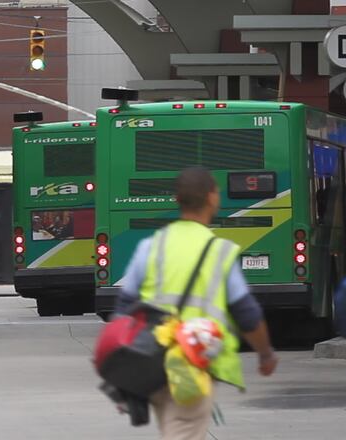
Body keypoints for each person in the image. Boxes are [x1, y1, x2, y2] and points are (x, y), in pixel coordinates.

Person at [115, 167, 278, 440]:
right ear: (213, 198)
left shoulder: (150, 246)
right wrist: (265, 354)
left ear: (177, 199)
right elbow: (246, 313)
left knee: (173, 429)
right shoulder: (219, 252)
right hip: (191, 367)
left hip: (151, 363)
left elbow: (123, 309)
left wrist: (123, 369)